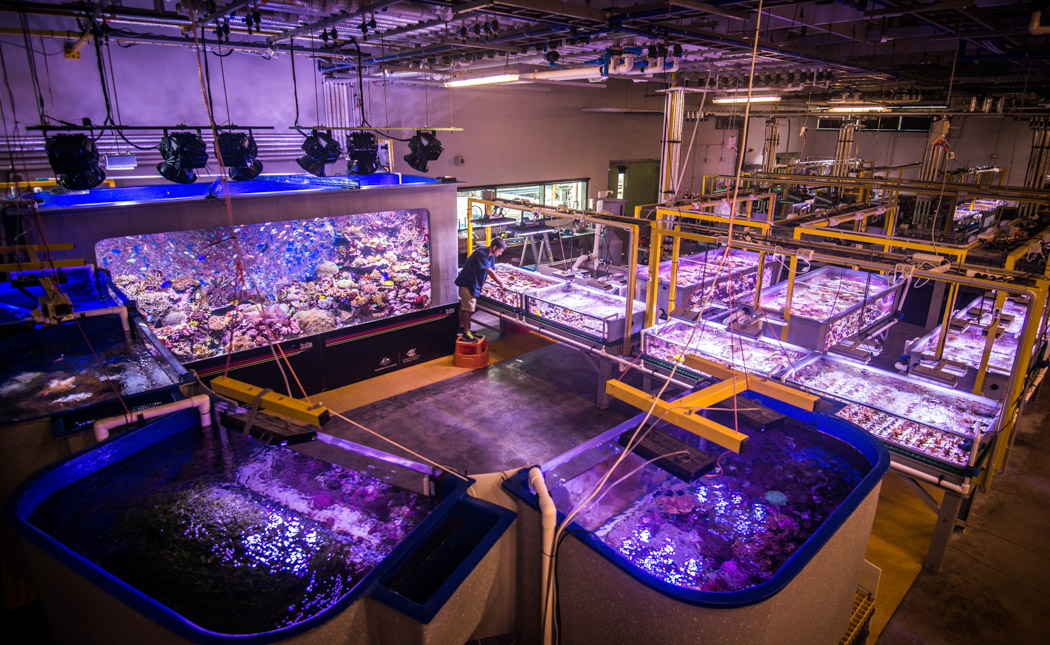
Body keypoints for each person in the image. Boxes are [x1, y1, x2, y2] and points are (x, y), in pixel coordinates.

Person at [455, 237, 508, 341]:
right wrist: (501, 283)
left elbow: (491, 271)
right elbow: (489, 271)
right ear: (495, 247)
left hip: (475, 283)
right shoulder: (481, 253)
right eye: (500, 251)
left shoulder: (491, 256)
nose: (500, 254)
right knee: (469, 308)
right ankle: (466, 332)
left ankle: (461, 328)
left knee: (464, 306)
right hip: (467, 283)